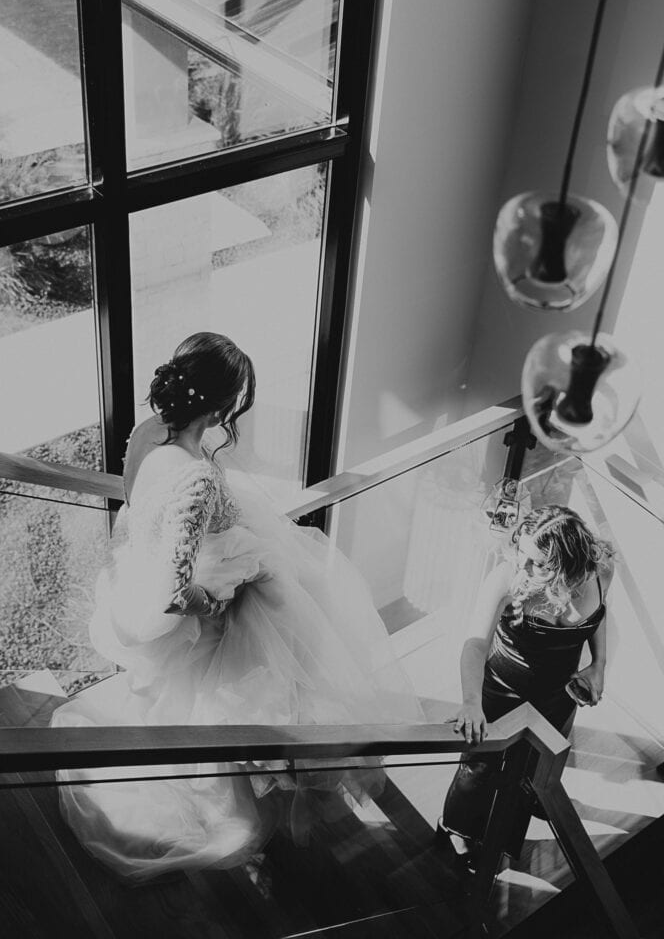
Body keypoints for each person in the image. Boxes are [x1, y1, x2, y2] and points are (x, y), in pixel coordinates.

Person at [51, 332, 423, 883]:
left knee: (193, 707)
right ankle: (234, 820)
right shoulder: (197, 476)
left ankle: (227, 790)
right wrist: (222, 596)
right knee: (243, 705)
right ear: (224, 403)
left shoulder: (146, 435)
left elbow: (139, 514)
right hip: (211, 608)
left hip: (166, 577)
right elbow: (177, 594)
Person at [437, 504, 615, 871]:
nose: (526, 567)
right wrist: (471, 701)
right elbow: (474, 645)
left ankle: (501, 836)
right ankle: (456, 829)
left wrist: (598, 666)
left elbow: (599, 616)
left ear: (568, 565)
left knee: (531, 773)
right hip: (503, 688)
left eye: (539, 563)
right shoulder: (507, 578)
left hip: (558, 696)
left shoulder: (601, 573)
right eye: (524, 553)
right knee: (481, 769)